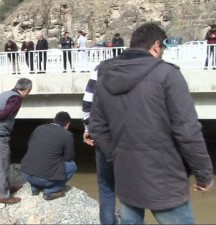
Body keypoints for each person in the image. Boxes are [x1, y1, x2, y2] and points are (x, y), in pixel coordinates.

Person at [89, 22, 214, 224]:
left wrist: (116, 155)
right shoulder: (168, 74)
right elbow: (188, 131)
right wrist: (204, 174)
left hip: (127, 175)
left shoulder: (106, 76)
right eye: (162, 48)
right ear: (156, 45)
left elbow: (97, 126)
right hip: (165, 180)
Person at [0, 78, 33, 205]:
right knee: (0, 163)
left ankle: (7, 187)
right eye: (29, 91)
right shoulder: (16, 99)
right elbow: (4, 113)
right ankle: (3, 196)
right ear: (26, 90)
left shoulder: (5, 94)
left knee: (4, 160)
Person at [82, 69, 118, 224]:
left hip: (104, 136)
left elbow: (87, 103)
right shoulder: (144, 68)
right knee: (132, 186)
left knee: (106, 187)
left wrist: (87, 129)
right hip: (132, 138)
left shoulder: (101, 69)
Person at [21, 111, 76, 201]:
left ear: (54, 121)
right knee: (72, 166)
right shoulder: (67, 135)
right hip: (43, 178)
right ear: (67, 124)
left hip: (26, 174)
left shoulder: (39, 128)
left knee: (37, 161)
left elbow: (29, 146)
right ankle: (50, 190)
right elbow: (69, 158)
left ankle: (34, 188)